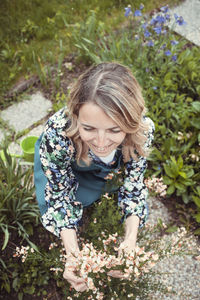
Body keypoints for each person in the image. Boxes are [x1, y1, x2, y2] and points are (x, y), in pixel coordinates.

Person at [34, 62, 154, 292]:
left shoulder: (142, 131)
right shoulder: (57, 134)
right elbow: (58, 195)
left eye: (114, 130)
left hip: (97, 168)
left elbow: (134, 187)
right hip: (65, 160)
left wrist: (130, 240)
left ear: (132, 123)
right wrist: (72, 254)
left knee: (103, 189)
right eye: (88, 128)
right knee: (71, 195)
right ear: (76, 116)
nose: (100, 142)